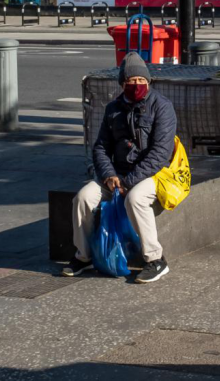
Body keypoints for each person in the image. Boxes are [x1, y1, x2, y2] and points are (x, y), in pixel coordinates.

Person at [63, 52, 177, 284]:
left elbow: (160, 153)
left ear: (149, 82)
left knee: (135, 199)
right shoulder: (113, 108)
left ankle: (156, 260)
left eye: (141, 81)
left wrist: (128, 181)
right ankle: (84, 256)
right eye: (131, 82)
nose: (136, 86)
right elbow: (100, 148)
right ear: (122, 84)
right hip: (116, 174)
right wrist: (108, 175)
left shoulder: (162, 107)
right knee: (83, 198)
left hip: (152, 174)